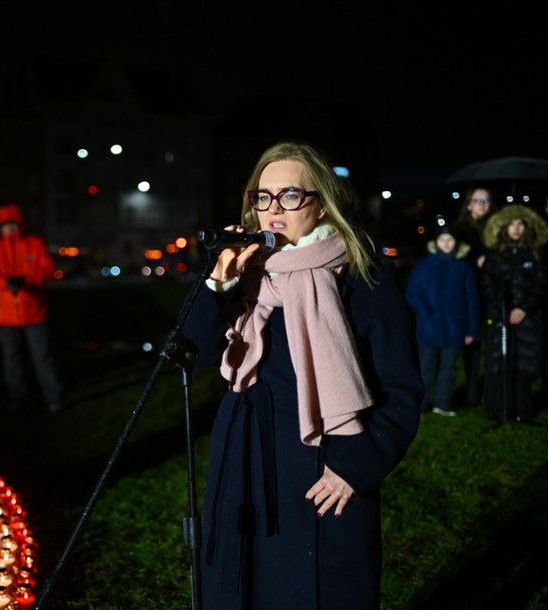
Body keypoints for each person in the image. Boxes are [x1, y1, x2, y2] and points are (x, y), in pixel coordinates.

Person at [179, 141, 423, 609]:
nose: (274, 209)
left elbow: (402, 387)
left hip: (321, 468)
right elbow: (193, 353)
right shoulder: (245, 271)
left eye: (290, 195)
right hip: (245, 460)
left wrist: (355, 468)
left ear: (321, 201)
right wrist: (216, 282)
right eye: (262, 196)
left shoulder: (362, 275)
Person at [0, 203, 64, 414]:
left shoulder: (34, 244)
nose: (9, 229)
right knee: (11, 359)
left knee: (42, 356)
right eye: (5, 225)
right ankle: (17, 399)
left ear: (20, 225)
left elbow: (48, 269)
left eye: (13, 224)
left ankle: (53, 398)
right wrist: (7, 283)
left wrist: (27, 280)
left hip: (34, 311)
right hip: (7, 315)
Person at [480, 204, 548, 424]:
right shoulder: (495, 255)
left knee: (525, 366)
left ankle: (523, 412)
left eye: (520, 224)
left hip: (528, 321)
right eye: (511, 224)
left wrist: (524, 308)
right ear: (503, 227)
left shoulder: (536, 255)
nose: (516, 229)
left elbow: (541, 284)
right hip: (502, 318)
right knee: (503, 364)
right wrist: (502, 308)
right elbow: (487, 284)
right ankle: (502, 410)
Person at [405, 221, 480, 416]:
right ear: (435, 241)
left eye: (450, 239)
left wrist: (472, 329)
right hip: (429, 327)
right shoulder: (423, 265)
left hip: (455, 326)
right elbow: (413, 293)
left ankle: (442, 402)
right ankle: (420, 404)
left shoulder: (463, 267)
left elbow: (472, 299)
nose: (446, 243)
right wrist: (427, 312)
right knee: (426, 367)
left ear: (456, 242)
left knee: (449, 368)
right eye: (442, 239)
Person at [451, 187, 495, 407]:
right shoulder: (460, 230)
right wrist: (475, 262)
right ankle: (472, 392)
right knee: (473, 345)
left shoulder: (495, 229)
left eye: (486, 200)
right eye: (477, 200)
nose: (482, 204)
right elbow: (455, 260)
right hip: (472, 294)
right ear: (469, 204)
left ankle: (490, 390)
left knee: (493, 344)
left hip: (493, 292)